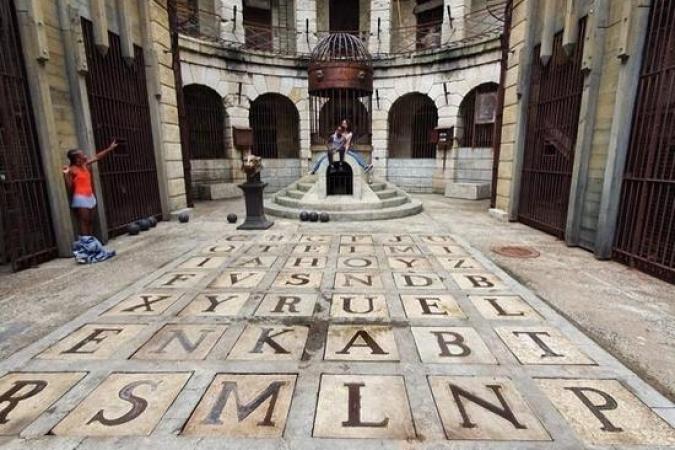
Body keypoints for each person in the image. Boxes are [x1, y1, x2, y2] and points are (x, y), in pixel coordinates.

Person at [63, 140, 119, 236]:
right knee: (84, 221)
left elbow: (97, 157)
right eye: (81, 155)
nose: (84, 156)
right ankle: (86, 242)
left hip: (90, 196)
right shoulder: (71, 170)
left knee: (91, 220)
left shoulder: (85, 165)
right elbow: (70, 187)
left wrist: (110, 148)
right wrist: (66, 175)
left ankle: (91, 240)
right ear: (76, 159)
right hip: (80, 198)